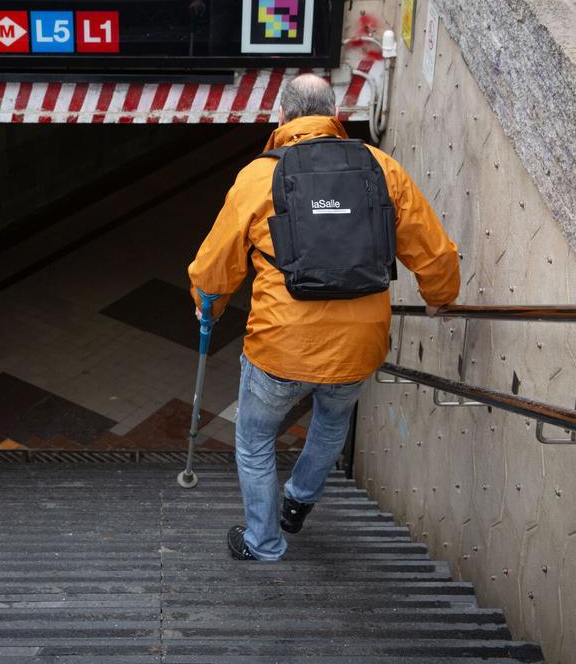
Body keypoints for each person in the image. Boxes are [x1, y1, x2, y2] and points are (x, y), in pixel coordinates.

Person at [187, 73, 460, 561]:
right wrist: (439, 296)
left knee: (253, 442)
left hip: (280, 348)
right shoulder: (380, 167)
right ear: (335, 116)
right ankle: (299, 500)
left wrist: (208, 310)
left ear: (283, 117)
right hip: (359, 345)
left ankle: (263, 542)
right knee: (332, 422)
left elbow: (214, 268)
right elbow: (433, 250)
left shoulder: (257, 177)